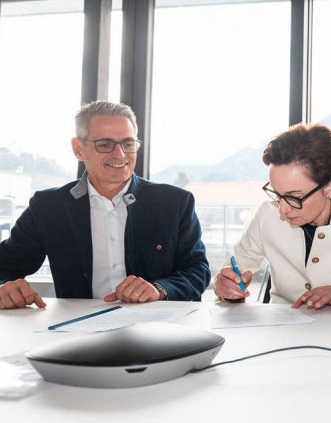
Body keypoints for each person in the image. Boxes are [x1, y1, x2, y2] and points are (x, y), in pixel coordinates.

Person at [0, 101, 210, 309]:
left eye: (128, 144)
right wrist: (4, 288)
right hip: (75, 329)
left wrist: (159, 289)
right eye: (105, 144)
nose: (119, 154)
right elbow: (5, 265)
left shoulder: (175, 202)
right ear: (78, 149)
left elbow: (197, 270)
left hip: (157, 329)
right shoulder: (47, 207)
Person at [213, 124, 331, 309]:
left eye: (294, 197)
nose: (282, 209)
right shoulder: (267, 215)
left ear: (330, 187)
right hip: (282, 331)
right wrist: (226, 288)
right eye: (278, 195)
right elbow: (234, 270)